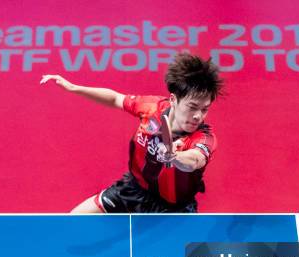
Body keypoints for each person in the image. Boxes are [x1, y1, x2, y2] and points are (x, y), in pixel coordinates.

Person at [40, 52, 224, 213]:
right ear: (174, 99)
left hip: (173, 210)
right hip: (133, 190)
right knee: (72, 220)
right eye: (192, 107)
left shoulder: (204, 137)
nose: (198, 116)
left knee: (166, 254)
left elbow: (194, 160)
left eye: (205, 109)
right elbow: (116, 99)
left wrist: (174, 156)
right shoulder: (152, 108)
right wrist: (74, 88)